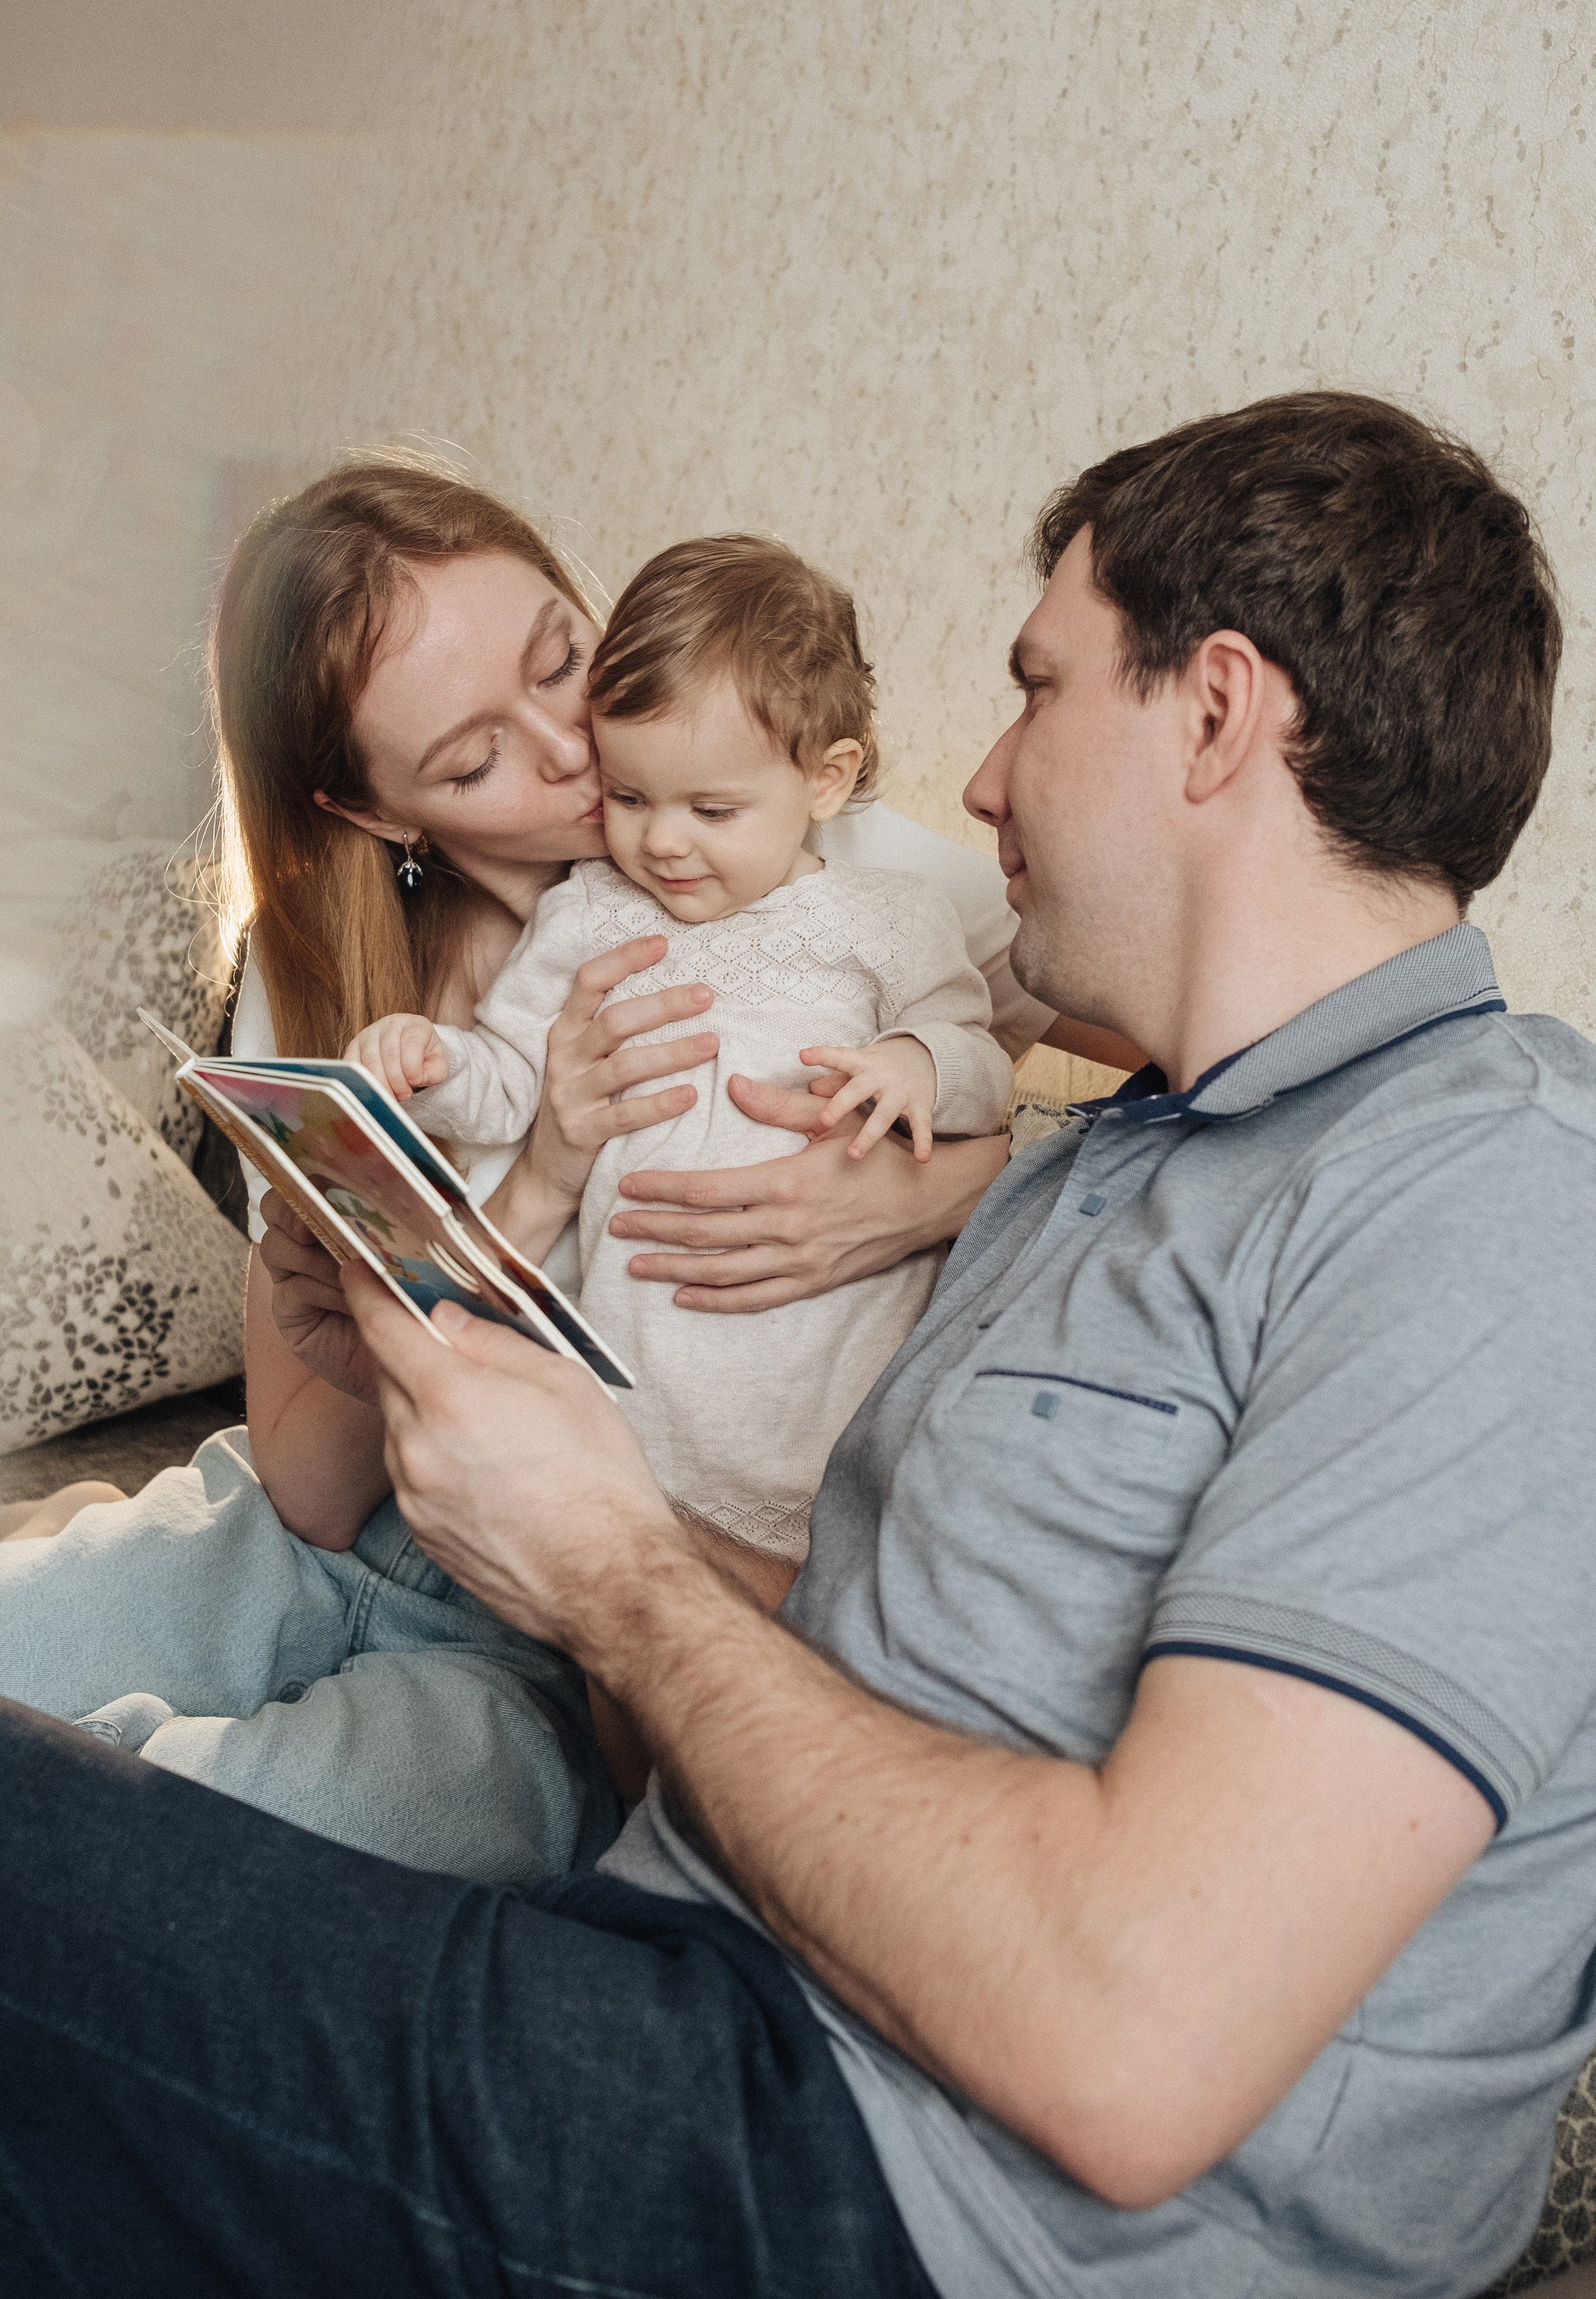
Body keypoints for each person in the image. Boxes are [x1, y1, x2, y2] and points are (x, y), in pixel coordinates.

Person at [5, 388, 1586, 2299]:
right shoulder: (1121, 1171)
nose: (982, 783)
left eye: (1035, 689)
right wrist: (537, 1461)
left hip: (873, 2180)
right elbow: (821, 1660)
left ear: (1220, 709)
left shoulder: (1494, 1198)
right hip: (695, 1998)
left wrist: (613, 1572)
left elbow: (1134, 2040)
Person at [0, 459, 1098, 1879]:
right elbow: (313, 1493)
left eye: (560, 661)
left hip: (536, 1640)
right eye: (472, 762)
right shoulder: (344, 972)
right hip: (310, 1540)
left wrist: (944, 1183)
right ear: (383, 815)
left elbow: (1191, 1076)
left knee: (166, 1853)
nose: (574, 753)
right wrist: (537, 1180)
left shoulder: (836, 871)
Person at [353, 534, 1012, 1557]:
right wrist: (429, 1062)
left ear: (827, 780)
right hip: (637, 1397)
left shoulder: (890, 922)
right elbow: (508, 1082)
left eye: (711, 809)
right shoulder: (588, 917)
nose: (661, 841)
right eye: (628, 797)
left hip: (823, 1379)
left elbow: (987, 1073)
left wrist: (921, 1066)